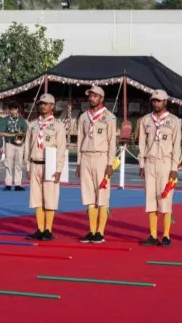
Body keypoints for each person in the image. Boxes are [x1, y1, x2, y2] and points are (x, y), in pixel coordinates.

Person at [136, 90, 181, 246]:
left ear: (165, 102)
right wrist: (141, 164)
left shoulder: (174, 121)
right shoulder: (146, 120)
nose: (156, 103)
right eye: (154, 100)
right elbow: (142, 144)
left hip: (166, 162)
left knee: (165, 198)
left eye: (159, 101)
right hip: (150, 162)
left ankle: (166, 235)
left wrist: (174, 167)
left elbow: (176, 146)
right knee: (150, 199)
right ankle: (153, 235)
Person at [76, 85, 117, 244]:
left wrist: (110, 163)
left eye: (95, 96)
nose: (91, 98)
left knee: (102, 195)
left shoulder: (109, 117)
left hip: (101, 157)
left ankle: (100, 232)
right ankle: (91, 230)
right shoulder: (83, 117)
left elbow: (112, 142)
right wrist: (79, 162)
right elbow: (80, 140)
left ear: (101, 98)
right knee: (89, 196)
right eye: (90, 96)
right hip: (86, 156)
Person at [24, 94, 67, 241]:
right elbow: (27, 146)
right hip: (35, 163)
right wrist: (27, 166)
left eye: (46, 104)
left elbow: (61, 148)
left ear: (52, 106)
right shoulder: (33, 125)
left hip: (50, 164)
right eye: (41, 103)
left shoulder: (58, 125)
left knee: (50, 197)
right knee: (36, 198)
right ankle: (40, 228)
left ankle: (48, 229)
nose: (42, 106)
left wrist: (59, 169)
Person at [0, 101, 28, 191]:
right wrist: (13, 135)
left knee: (19, 164)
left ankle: (18, 184)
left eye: (15, 109)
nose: (13, 111)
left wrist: (20, 133)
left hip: (19, 144)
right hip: (9, 143)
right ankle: (8, 184)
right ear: (9, 110)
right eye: (11, 109)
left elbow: (26, 131)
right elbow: (1, 133)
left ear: (17, 109)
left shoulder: (21, 120)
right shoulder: (5, 120)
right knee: (8, 164)